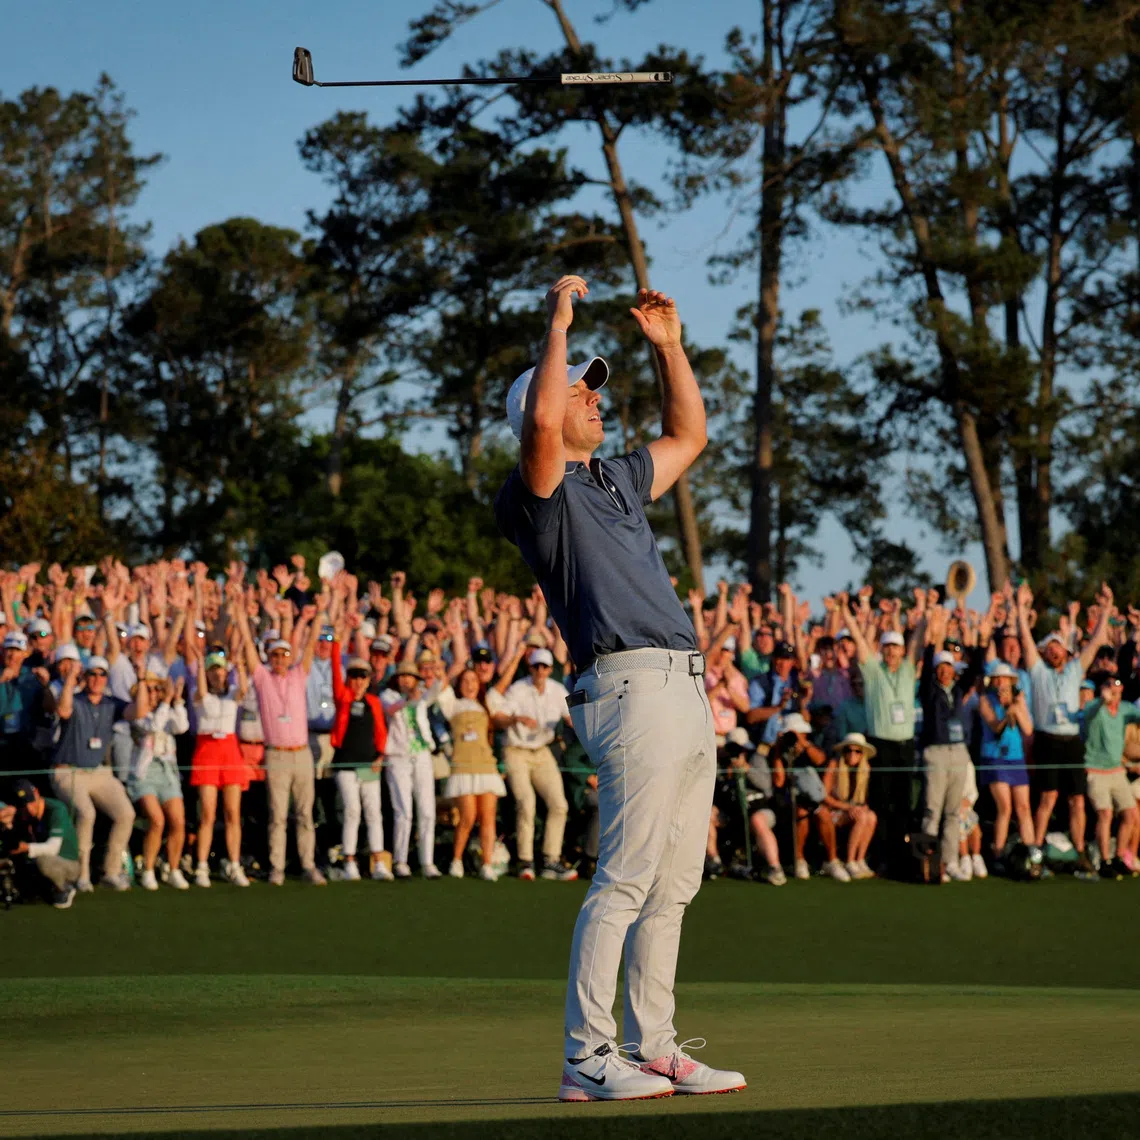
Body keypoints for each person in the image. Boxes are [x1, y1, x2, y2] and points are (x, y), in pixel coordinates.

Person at [495, 276, 743, 1100]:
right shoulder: (537, 495)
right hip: (628, 685)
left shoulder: (616, 479)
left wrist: (670, 348)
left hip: (683, 686)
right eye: (579, 392)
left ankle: (655, 1046)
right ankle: (586, 1055)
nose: (595, 399)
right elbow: (541, 424)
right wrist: (557, 325)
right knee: (628, 877)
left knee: (674, 885)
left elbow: (690, 433)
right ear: (542, 407)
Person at [1017, 581, 1114, 873]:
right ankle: (1036, 852)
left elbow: (1095, 642)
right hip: (1047, 739)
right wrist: (1019, 607)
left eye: (1058, 646)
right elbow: (1025, 639)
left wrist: (1107, 608)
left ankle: (1081, 853)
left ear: (1066, 651)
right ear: (1044, 652)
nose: (1054, 651)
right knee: (1047, 798)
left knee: (1077, 801)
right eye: (1049, 647)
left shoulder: (1074, 670)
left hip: (1071, 741)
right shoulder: (1038, 671)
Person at [839, 595, 925, 876]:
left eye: (895, 647)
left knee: (903, 804)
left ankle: (900, 858)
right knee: (880, 803)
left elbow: (917, 642)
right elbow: (859, 640)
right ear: (882, 649)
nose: (891, 652)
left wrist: (925, 612)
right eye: (887, 647)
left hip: (905, 746)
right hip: (880, 745)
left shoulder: (909, 670)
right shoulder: (874, 672)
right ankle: (880, 858)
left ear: (901, 651)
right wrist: (845, 611)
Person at [253, 611, 327, 886]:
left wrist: (317, 617)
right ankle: (277, 867)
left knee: (306, 814)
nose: (280, 659)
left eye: (284, 655)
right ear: (269, 658)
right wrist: (238, 615)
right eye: (275, 655)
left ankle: (308, 865)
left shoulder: (298, 675)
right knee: (278, 816)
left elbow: (310, 645)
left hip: (301, 754)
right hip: (277, 755)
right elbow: (249, 651)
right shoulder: (263, 679)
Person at [49, 655, 135, 891]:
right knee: (86, 813)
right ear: (85, 677)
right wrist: (70, 679)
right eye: (92, 674)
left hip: (98, 772)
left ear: (107, 678)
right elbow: (63, 710)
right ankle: (82, 873)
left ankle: (112, 871)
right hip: (68, 772)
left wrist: (142, 681)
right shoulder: (74, 698)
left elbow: (137, 712)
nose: (97, 679)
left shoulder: (111, 703)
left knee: (126, 813)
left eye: (101, 674)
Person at [497, 648, 576, 881]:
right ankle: (525, 861)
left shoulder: (557, 690)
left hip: (541, 751)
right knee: (526, 802)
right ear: (530, 668)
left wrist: (578, 723)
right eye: (536, 666)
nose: (540, 671)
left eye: (544, 667)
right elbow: (499, 718)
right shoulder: (518, 689)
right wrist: (516, 718)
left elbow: (571, 717)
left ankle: (551, 860)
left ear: (550, 670)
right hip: (516, 751)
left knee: (559, 805)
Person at [917, 609, 981, 882]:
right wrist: (934, 635)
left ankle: (950, 861)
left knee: (954, 812)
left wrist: (977, 641)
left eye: (949, 667)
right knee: (933, 810)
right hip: (936, 752)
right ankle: (930, 865)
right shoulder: (929, 691)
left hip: (958, 752)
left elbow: (975, 669)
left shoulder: (958, 689)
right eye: (940, 667)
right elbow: (925, 668)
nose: (945, 671)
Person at [188, 647, 250, 888]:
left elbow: (243, 690)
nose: (217, 674)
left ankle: (234, 864)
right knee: (207, 813)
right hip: (207, 751)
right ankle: (202, 865)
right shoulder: (198, 692)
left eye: (220, 669)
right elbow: (202, 693)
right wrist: (200, 665)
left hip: (230, 750)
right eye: (213, 670)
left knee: (233, 812)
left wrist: (240, 666)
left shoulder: (232, 692)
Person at [328, 642, 390, 881]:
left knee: (373, 812)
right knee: (352, 810)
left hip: (369, 764)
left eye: (362, 676)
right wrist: (336, 643)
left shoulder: (373, 702)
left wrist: (380, 756)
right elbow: (335, 673)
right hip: (346, 763)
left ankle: (378, 862)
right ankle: (349, 861)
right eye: (354, 676)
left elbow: (381, 732)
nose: (358, 681)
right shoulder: (343, 698)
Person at [440, 666, 507, 881]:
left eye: (474, 680)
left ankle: (487, 864)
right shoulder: (452, 704)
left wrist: (518, 654)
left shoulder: (487, 704)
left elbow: (502, 684)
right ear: (459, 685)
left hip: (486, 767)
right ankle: (456, 860)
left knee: (488, 817)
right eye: (465, 680)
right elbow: (442, 681)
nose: (470, 685)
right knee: (467, 816)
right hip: (462, 768)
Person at [124, 674, 190, 890]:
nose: (154, 694)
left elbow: (182, 726)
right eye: (149, 690)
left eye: (157, 689)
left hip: (168, 772)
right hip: (144, 774)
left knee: (178, 821)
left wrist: (177, 701)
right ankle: (149, 869)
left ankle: (173, 868)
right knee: (157, 820)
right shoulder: (137, 713)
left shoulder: (166, 709)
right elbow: (153, 727)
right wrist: (167, 702)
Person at [770, 714, 849, 881]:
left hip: (816, 799)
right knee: (801, 813)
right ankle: (799, 860)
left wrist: (803, 743)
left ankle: (832, 860)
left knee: (823, 814)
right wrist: (778, 750)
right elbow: (779, 781)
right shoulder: (779, 752)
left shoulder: (810, 748)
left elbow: (820, 760)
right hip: (789, 801)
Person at [381, 661, 441, 879]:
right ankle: (401, 861)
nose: (406, 680)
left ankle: (427, 861)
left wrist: (435, 671)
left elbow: (437, 687)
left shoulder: (422, 696)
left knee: (427, 810)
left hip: (422, 754)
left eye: (410, 676)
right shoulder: (388, 695)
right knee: (404, 811)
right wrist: (408, 699)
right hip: (398, 757)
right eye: (403, 676)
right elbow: (391, 709)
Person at [976, 662, 1035, 871]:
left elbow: (1028, 729)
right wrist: (1006, 711)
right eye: (997, 679)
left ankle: (1031, 854)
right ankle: (998, 854)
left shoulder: (1018, 701)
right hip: (995, 757)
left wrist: (1016, 707)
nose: (1001, 683)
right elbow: (996, 728)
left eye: (1005, 679)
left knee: (1024, 807)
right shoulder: (985, 700)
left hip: (1015, 757)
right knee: (1005, 807)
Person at [1082, 677, 1140, 878]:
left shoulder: (1125, 709)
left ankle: (1119, 857)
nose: (1114, 692)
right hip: (1096, 771)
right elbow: (1089, 714)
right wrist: (1102, 701)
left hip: (1117, 771)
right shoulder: (1094, 706)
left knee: (1130, 814)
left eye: (1117, 688)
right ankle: (1105, 861)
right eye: (1110, 687)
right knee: (1105, 814)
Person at [0, 778, 81, 907]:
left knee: (42, 860)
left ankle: (64, 888)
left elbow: (52, 848)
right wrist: (7, 824)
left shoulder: (56, 809)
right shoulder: (23, 813)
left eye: (30, 802)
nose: (28, 808)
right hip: (40, 857)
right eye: (23, 804)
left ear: (37, 793)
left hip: (67, 863)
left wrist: (25, 847)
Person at [827, 733, 878, 879]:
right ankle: (850, 861)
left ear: (862, 754)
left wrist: (862, 807)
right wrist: (847, 807)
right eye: (848, 750)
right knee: (861, 817)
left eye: (857, 751)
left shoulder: (865, 770)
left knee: (871, 816)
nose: (852, 754)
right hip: (835, 811)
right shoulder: (834, 765)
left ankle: (860, 859)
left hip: (854, 810)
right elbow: (824, 796)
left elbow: (865, 799)